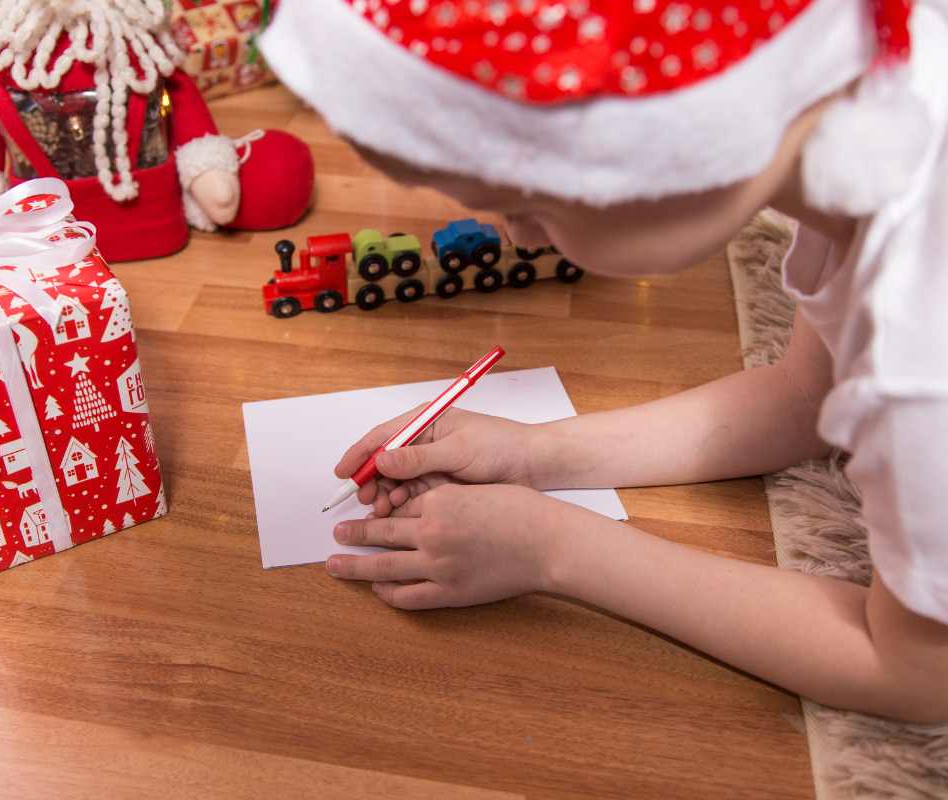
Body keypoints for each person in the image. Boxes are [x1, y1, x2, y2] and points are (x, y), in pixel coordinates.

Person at [259, 0, 948, 723]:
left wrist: (554, 548)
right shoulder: (870, 95)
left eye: (527, 206)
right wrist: (536, 454)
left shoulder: (922, 343)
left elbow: (913, 672)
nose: (518, 237)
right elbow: (808, 395)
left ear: (673, 143)